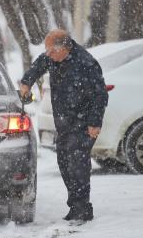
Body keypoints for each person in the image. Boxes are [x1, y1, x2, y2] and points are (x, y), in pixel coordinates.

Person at [20, 29, 108, 221]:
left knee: (78, 164)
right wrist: (26, 82)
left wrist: (94, 123)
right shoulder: (52, 57)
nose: (48, 55)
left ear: (64, 48)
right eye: (47, 51)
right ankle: (75, 205)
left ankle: (82, 208)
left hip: (83, 122)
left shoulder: (86, 64)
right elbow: (38, 65)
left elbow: (100, 95)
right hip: (64, 123)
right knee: (64, 162)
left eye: (51, 51)